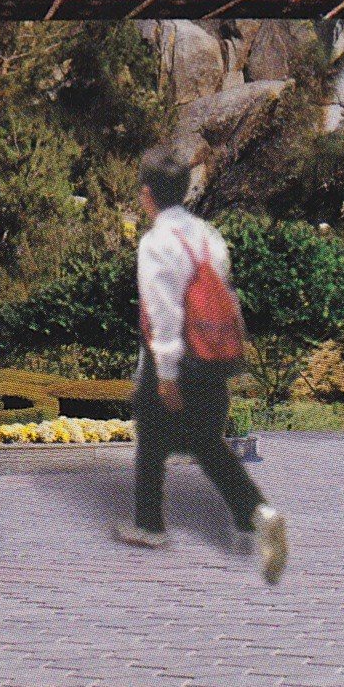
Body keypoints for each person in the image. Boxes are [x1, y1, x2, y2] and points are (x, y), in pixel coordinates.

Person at [118, 147, 287, 581]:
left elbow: (164, 311)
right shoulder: (207, 234)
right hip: (214, 356)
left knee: (151, 435)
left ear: (147, 194)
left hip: (179, 357)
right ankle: (259, 513)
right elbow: (223, 291)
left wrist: (166, 373)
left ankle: (149, 525)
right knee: (206, 443)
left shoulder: (156, 243)